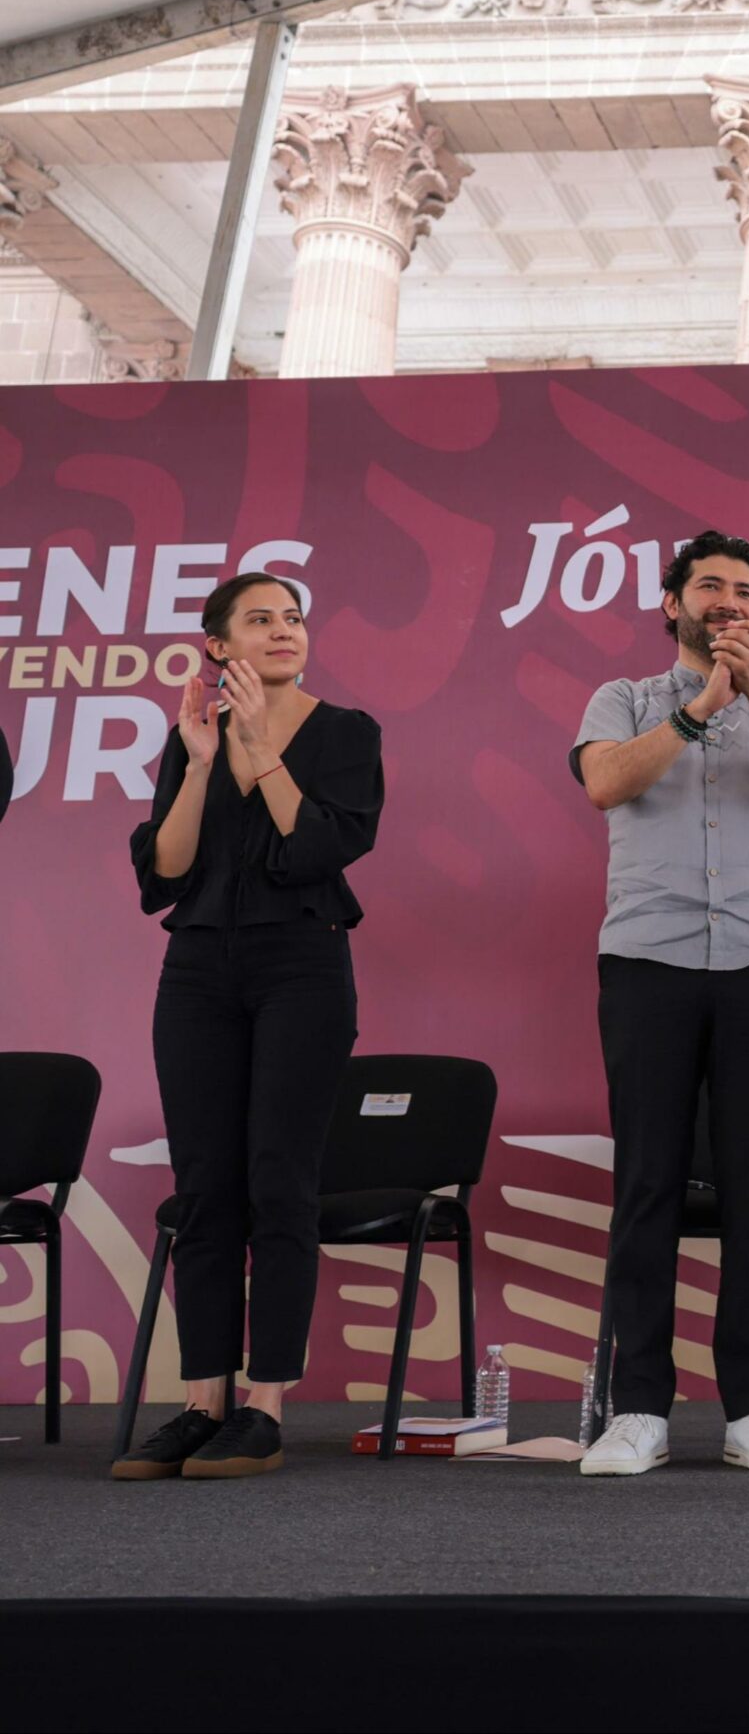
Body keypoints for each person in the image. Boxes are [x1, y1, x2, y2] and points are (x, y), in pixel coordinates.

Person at [572, 532, 749, 1476]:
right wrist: (701, 709)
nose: (728, 600)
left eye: (744, 590)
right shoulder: (625, 701)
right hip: (648, 962)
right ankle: (639, 1405)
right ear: (672, 606)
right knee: (646, 1183)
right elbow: (607, 781)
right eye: (710, 586)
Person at [112, 573, 382, 1480]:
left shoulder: (345, 734)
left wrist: (264, 752)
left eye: (295, 617)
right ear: (219, 646)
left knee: (279, 1181)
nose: (284, 631)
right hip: (196, 970)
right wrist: (196, 762)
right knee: (205, 1190)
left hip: (301, 965)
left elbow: (314, 849)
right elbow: (170, 871)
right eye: (260, 620)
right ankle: (202, 1402)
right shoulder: (191, 735)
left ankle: (264, 1405)